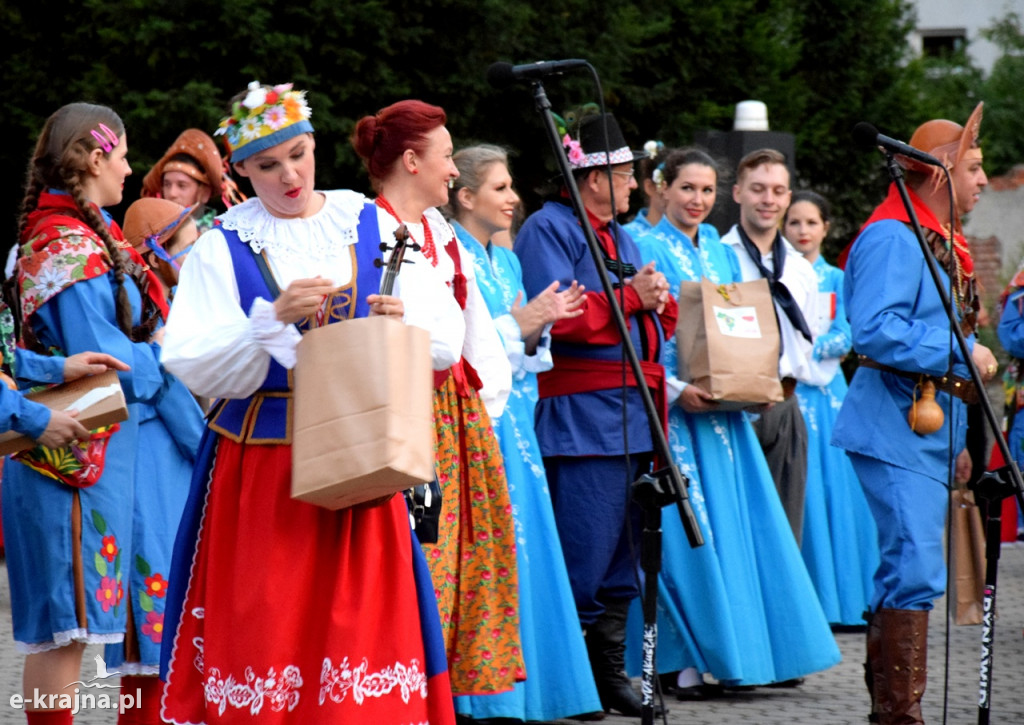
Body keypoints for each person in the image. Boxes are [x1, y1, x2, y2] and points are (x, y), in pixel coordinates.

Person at [159, 82, 457, 724]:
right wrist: (264, 321)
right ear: (241, 170)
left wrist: (404, 320)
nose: (289, 175)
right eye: (267, 165)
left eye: (297, 154)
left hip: (363, 459)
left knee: (359, 628)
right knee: (269, 618)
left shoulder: (372, 221)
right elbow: (185, 356)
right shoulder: (223, 244)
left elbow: (447, 334)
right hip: (264, 472)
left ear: (314, 144)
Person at [630, 148, 840, 695]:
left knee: (736, 530)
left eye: (705, 191)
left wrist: (752, 383)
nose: (697, 200)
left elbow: (741, 330)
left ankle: (739, 653)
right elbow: (643, 339)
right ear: (662, 188)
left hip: (725, 413)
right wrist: (674, 389)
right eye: (686, 189)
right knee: (687, 532)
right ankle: (683, 661)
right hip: (674, 411)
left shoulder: (720, 259)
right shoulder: (643, 247)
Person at [4, 102, 175, 725]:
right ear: (95, 158)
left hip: (88, 456)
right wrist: (167, 355)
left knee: (90, 623)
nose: (131, 169)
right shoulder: (64, 247)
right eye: (125, 155)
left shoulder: (79, 233)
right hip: (64, 458)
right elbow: (104, 357)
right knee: (64, 629)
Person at [351, 101, 523, 699]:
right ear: (410, 160)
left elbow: (474, 334)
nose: (454, 170)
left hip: (453, 416)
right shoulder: (362, 230)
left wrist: (483, 415)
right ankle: (393, 693)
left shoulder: (441, 232)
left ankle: (437, 698)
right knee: (407, 564)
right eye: (447, 157)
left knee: (454, 565)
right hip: (398, 413)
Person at [833, 102, 996, 724]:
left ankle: (892, 715)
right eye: (974, 168)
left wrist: (959, 435)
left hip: (929, 425)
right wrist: (963, 349)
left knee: (910, 571)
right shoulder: (892, 235)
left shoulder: (933, 238)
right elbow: (873, 330)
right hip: (893, 425)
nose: (982, 180)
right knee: (916, 571)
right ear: (939, 171)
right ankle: (901, 719)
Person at [513, 111, 676, 717]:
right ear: (592, 177)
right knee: (583, 550)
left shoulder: (621, 236)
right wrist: (634, 299)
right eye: (626, 174)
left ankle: (607, 672)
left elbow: (636, 312)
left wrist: (655, 302)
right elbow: (558, 314)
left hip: (634, 411)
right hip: (583, 415)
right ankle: (567, 679)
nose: (634, 185)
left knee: (621, 557)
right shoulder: (548, 229)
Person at [445, 144, 603, 721]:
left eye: (511, 187)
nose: (514, 198)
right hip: (475, 420)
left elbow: (519, 346)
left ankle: (535, 688)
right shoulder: (449, 254)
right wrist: (523, 321)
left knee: (528, 539)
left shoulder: (505, 260)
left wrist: (538, 326)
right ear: (466, 197)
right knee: (491, 542)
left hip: (517, 419)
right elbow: (461, 346)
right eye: (500, 188)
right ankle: (484, 696)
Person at [783, 190, 879, 627]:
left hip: (830, 396)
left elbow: (850, 333)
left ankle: (842, 600)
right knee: (799, 493)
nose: (802, 231)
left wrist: (807, 347)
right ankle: (804, 604)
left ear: (826, 227)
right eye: (794, 223)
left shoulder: (837, 279)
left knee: (834, 493)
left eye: (810, 223)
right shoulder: (777, 275)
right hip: (790, 393)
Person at [721, 148, 820, 545]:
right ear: (737, 193)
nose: (768, 200)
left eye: (778, 191)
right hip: (734, 406)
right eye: (758, 189)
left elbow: (807, 336)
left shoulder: (799, 268)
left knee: (783, 530)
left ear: (787, 197)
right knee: (737, 527)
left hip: (784, 402)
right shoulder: (720, 259)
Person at [141, 128, 243, 233]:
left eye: (182, 185)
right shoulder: (153, 237)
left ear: (205, 192)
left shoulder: (220, 238)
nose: (172, 193)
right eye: (167, 185)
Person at [122, 197, 200, 299]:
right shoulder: (134, 311)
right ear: (155, 259)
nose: (199, 257)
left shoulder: (182, 302)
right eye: (189, 249)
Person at [623, 140, 668, 239]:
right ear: (650, 187)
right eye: (665, 186)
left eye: (685, 188)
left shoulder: (704, 234)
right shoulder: (626, 236)